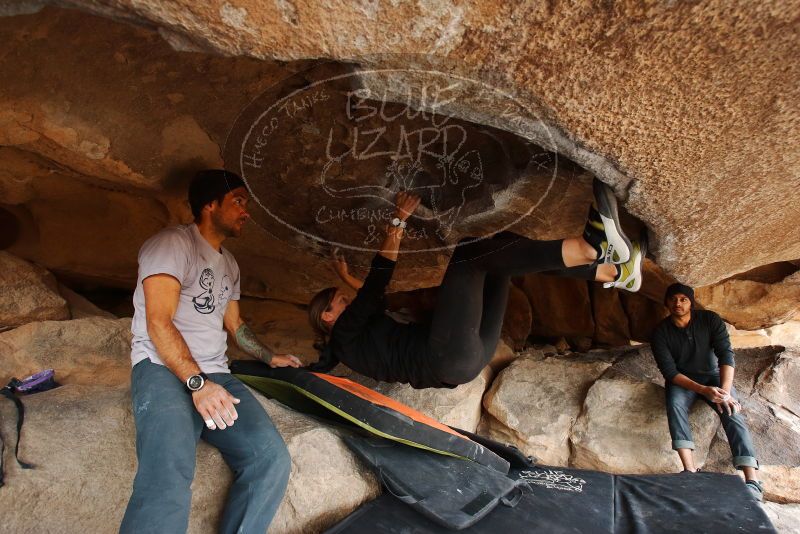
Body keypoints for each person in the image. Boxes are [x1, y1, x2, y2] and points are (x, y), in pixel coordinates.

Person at [307, 178, 646, 389]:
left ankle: (614, 273)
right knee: (468, 258)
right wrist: (397, 222)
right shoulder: (344, 333)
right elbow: (376, 284)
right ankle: (592, 246)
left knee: (502, 261)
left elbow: (372, 299)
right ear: (327, 317)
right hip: (446, 356)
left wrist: (344, 278)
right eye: (340, 300)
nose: (346, 300)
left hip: (467, 359)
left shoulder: (354, 341)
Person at [120, 169, 301, 534]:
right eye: (238, 201)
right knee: (169, 471)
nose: (246, 211)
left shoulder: (230, 264)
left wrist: (269, 357)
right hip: (162, 369)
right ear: (209, 205)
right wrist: (197, 383)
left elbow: (235, 325)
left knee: (270, 459)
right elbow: (158, 322)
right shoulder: (172, 244)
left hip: (217, 374)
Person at [651, 283, 764, 501]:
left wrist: (725, 391)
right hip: (683, 381)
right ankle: (690, 471)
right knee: (674, 405)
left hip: (714, 376)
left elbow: (726, 355)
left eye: (684, 299)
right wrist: (703, 390)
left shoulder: (710, 320)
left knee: (731, 410)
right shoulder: (660, 332)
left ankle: (753, 480)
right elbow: (670, 372)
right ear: (666, 302)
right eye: (673, 299)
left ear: (691, 302)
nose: (678, 303)